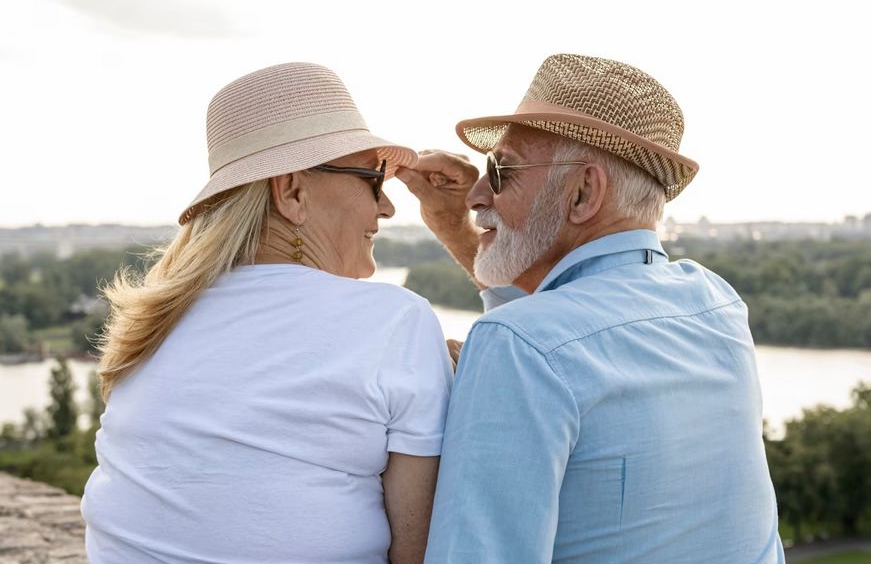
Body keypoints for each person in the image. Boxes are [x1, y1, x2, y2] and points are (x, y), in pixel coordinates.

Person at [397, 54, 785, 563]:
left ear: (583, 191)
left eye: (500, 170)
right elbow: (569, 321)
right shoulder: (715, 303)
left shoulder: (520, 347)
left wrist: (494, 372)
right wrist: (453, 226)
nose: (474, 194)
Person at [80, 63, 452, 564]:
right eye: (373, 179)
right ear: (293, 191)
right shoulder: (394, 322)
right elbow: (420, 552)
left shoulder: (157, 319)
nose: (385, 208)